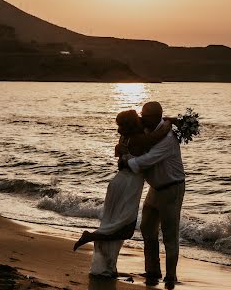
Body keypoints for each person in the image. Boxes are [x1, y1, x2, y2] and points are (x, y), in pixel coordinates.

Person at [73, 109, 171, 278]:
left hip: (118, 182)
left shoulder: (125, 138)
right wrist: (170, 122)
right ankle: (91, 236)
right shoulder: (139, 139)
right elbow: (159, 135)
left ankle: (107, 267)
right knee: (125, 227)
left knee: (111, 222)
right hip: (129, 185)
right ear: (135, 122)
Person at [119, 101, 185, 290]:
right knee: (147, 228)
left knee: (170, 234)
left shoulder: (169, 138)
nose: (141, 118)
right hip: (155, 188)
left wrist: (127, 160)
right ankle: (153, 271)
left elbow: (149, 159)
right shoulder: (150, 132)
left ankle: (170, 276)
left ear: (156, 116)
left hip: (172, 188)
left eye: (145, 116)